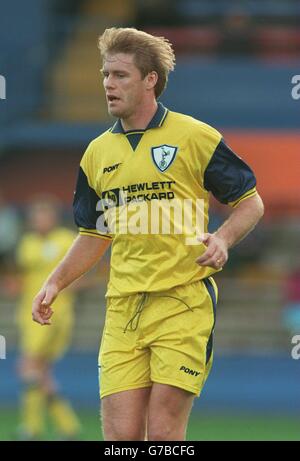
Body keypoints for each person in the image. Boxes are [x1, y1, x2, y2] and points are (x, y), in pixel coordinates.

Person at [32, 27, 264, 441]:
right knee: (121, 441)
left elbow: (250, 202)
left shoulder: (195, 136)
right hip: (123, 309)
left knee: (163, 435)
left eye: (120, 74)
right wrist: (55, 282)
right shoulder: (95, 154)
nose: (108, 83)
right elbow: (93, 234)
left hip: (183, 303)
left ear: (150, 79)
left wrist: (223, 239)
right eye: (105, 74)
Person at [16, 197, 81, 440]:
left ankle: (32, 428)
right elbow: (24, 278)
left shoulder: (66, 240)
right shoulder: (27, 243)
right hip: (28, 315)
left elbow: (79, 271)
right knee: (41, 373)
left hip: (55, 314)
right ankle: (67, 426)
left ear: (53, 217)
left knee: (28, 366)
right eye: (36, 215)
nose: (40, 220)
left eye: (44, 214)